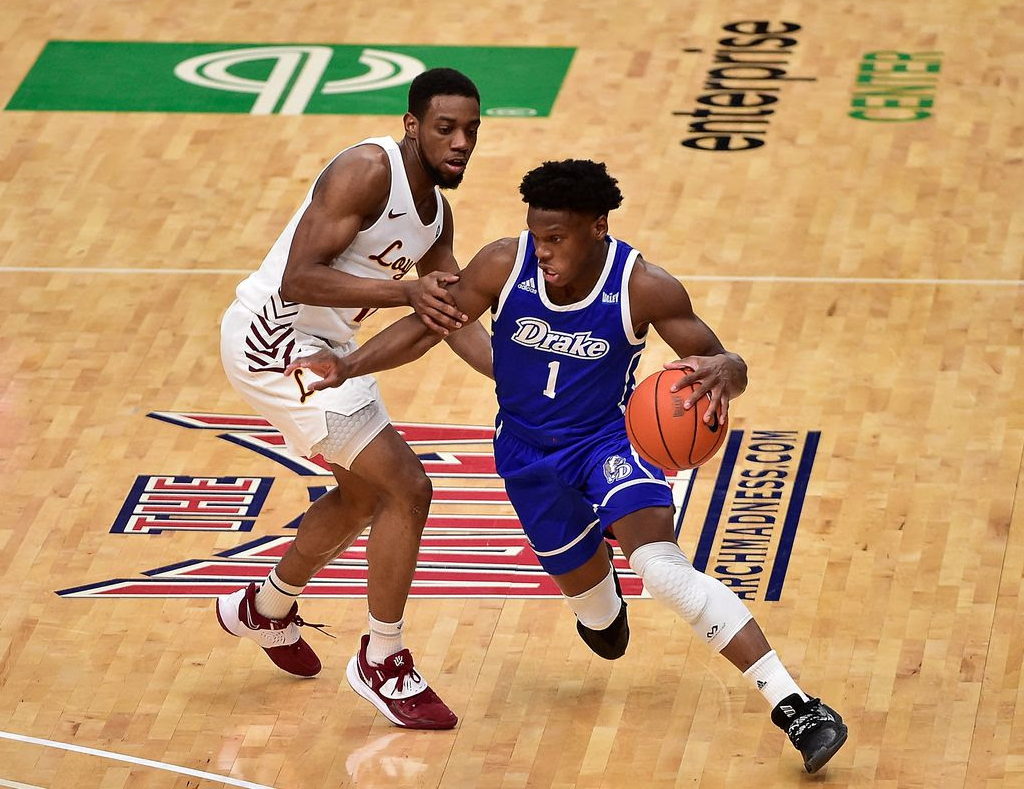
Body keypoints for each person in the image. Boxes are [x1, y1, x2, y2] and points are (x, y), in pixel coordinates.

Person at [291, 159, 849, 772]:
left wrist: (730, 368)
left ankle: (796, 706)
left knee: (662, 571)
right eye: (537, 235)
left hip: (609, 444)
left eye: (556, 238)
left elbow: (723, 367)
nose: (543, 250)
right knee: (605, 632)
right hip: (527, 457)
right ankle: (601, 583)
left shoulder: (643, 286)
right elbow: (430, 327)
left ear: (597, 227)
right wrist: (349, 366)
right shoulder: (503, 264)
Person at [216, 67, 492, 731]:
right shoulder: (367, 169)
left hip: (329, 349)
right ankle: (382, 658)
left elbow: (451, 311)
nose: (460, 143)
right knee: (409, 487)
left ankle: (266, 608)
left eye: (471, 130)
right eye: (446, 128)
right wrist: (403, 292)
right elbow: (298, 277)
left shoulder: (437, 217)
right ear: (412, 126)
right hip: (274, 341)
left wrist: (514, 378)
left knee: (366, 497)